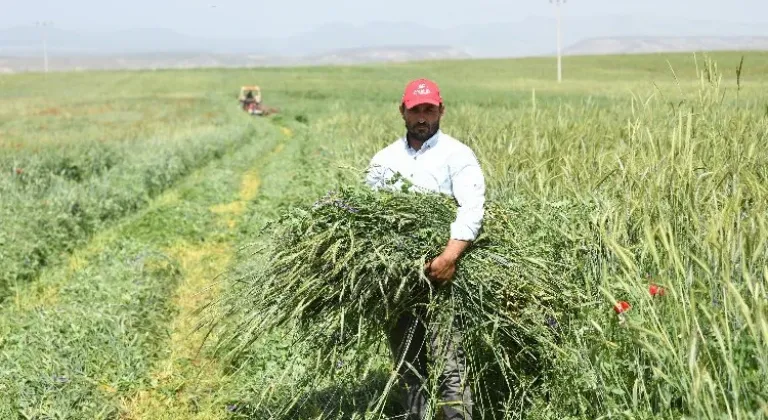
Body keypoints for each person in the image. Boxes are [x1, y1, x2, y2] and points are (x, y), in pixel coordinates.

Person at [365, 78, 486, 420]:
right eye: (416, 110)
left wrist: (449, 256)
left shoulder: (457, 155)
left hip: (445, 277)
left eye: (429, 110)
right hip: (400, 280)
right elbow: (368, 212)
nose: (423, 117)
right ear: (402, 111)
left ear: (441, 110)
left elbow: (471, 207)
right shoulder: (384, 159)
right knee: (408, 366)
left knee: (450, 368)